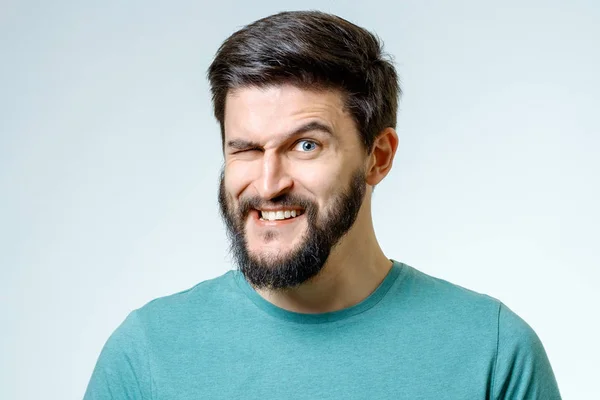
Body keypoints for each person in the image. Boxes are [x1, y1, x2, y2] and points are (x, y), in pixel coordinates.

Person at [84, 10, 561, 399]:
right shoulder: (147, 354)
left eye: (305, 145)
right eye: (246, 149)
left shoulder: (493, 353)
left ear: (378, 156)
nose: (268, 184)